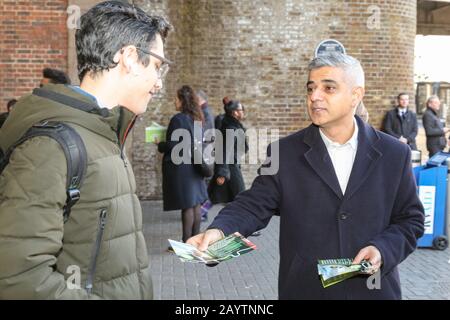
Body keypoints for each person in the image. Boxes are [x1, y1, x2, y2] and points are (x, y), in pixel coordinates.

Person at [188, 53, 424, 300]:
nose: (314, 96)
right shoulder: (284, 153)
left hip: (375, 292)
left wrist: (382, 249)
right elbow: (253, 204)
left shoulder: (394, 154)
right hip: (306, 290)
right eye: (311, 88)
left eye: (328, 88)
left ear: (356, 95)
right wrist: (220, 231)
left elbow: (411, 220)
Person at [0, 1, 171, 299]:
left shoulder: (104, 131)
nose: (158, 83)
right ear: (129, 57)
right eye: (157, 66)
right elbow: (19, 278)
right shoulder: (51, 145)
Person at [157, 85, 208, 244]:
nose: (174, 101)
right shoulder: (197, 118)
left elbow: (174, 146)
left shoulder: (178, 119)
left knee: (187, 206)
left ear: (182, 100)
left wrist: (160, 144)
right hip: (196, 165)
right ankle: (195, 239)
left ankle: (187, 243)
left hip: (183, 167)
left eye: (176, 98)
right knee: (196, 204)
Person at [208, 97, 248, 205]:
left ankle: (202, 211)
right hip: (230, 167)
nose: (243, 112)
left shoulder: (233, 126)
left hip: (229, 166)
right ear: (235, 112)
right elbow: (224, 150)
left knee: (215, 193)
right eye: (241, 110)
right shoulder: (230, 128)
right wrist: (222, 172)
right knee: (240, 196)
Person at [196, 90, 215, 221]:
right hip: (205, 152)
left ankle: (204, 212)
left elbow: (205, 135)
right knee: (204, 184)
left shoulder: (205, 113)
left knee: (204, 185)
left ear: (199, 99)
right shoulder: (204, 112)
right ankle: (203, 211)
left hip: (205, 153)